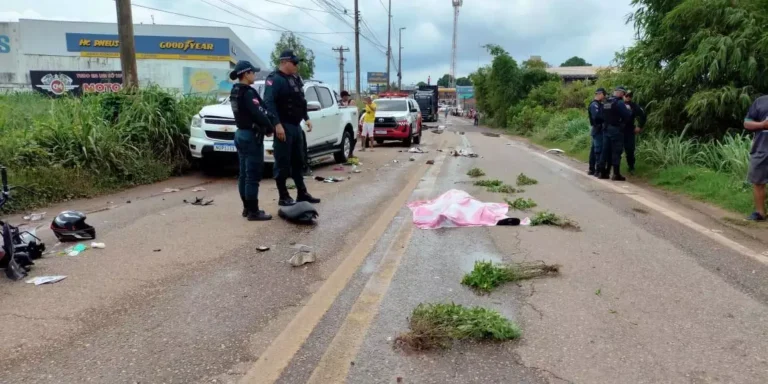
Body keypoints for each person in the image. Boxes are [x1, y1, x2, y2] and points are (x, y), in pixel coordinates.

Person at [263, 50, 321, 207]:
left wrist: (306, 117)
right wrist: (277, 124)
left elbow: (300, 101)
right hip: (283, 126)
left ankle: (302, 193)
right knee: (282, 162)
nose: (296, 65)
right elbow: (269, 103)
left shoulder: (295, 79)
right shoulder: (274, 80)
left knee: (298, 160)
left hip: (296, 126)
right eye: (294, 63)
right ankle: (283, 196)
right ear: (284, 62)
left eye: (297, 63)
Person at [229, 60, 275, 221]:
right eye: (252, 73)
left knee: (244, 174)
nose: (254, 75)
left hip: (240, 134)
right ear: (246, 74)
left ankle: (246, 208)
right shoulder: (248, 92)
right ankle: (254, 211)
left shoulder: (235, 91)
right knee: (252, 176)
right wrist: (270, 128)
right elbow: (259, 113)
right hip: (250, 136)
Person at [597, 86, 633, 181]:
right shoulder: (620, 103)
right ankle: (616, 174)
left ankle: (601, 172)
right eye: (624, 94)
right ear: (621, 93)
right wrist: (628, 109)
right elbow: (627, 115)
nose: (624, 96)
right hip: (616, 130)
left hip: (606, 129)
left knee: (605, 151)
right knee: (616, 151)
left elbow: (600, 115)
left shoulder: (606, 102)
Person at [743, 95, 768, 221]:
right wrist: (762, 124)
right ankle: (760, 213)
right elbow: (747, 123)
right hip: (761, 149)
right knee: (758, 182)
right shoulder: (760, 101)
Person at [622, 90, 647, 175]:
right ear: (622, 95)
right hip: (618, 130)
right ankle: (614, 168)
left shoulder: (634, 106)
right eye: (626, 95)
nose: (628, 97)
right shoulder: (618, 104)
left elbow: (643, 115)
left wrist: (639, 126)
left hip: (629, 130)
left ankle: (631, 167)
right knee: (616, 149)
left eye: (630, 96)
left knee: (630, 150)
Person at [587, 88, 606, 176]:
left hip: (599, 129)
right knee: (598, 150)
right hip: (597, 129)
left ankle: (592, 169)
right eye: (604, 95)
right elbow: (597, 117)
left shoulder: (599, 104)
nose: (605, 97)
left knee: (594, 149)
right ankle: (597, 170)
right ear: (600, 94)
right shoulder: (594, 105)